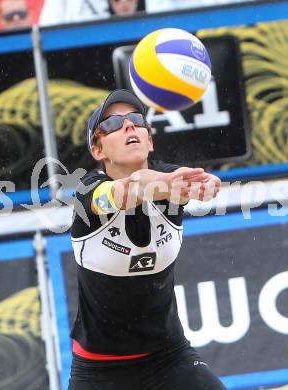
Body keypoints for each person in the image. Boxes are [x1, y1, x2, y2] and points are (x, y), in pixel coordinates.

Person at [69, 89, 226, 389]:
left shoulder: (171, 180)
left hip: (169, 357)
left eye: (136, 120)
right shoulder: (88, 192)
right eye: (113, 124)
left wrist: (205, 183)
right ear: (98, 150)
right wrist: (170, 185)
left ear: (150, 140)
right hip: (100, 370)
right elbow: (130, 190)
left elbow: (178, 179)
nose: (129, 125)